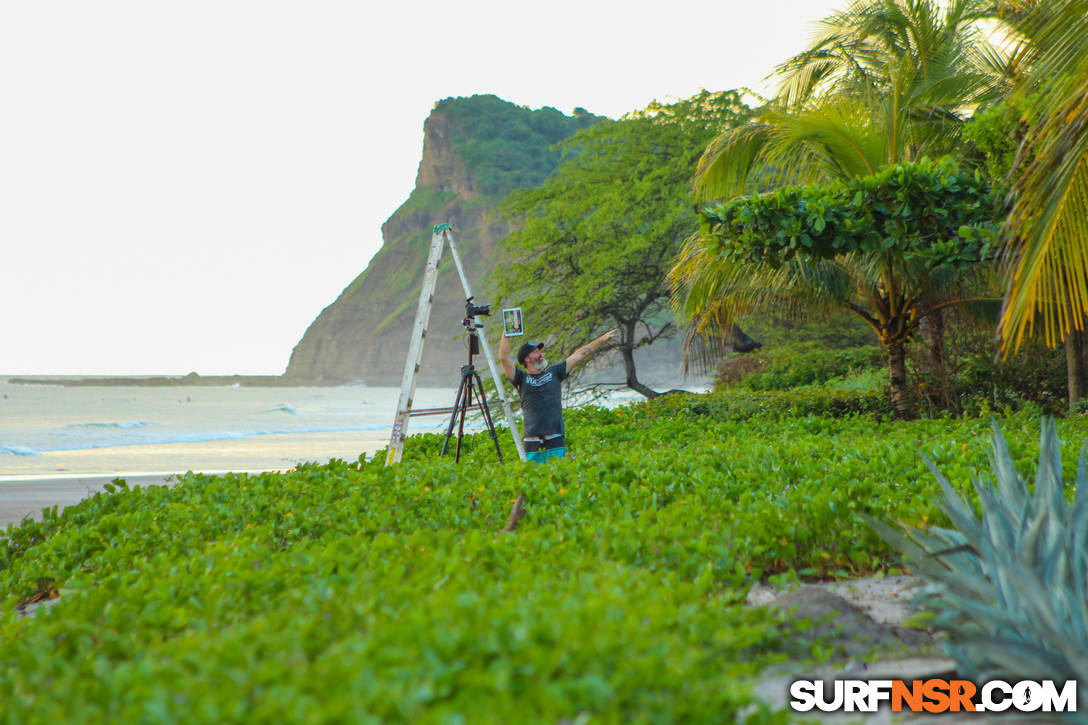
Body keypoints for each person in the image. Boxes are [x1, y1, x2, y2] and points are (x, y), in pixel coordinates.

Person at [499, 327, 618, 463]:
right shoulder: (521, 378)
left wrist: (601, 339)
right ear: (527, 358)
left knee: (556, 475)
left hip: (555, 437)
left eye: (539, 351)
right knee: (534, 477)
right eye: (536, 352)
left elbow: (580, 354)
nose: (540, 354)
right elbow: (503, 358)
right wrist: (506, 333)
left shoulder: (554, 372)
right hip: (532, 440)